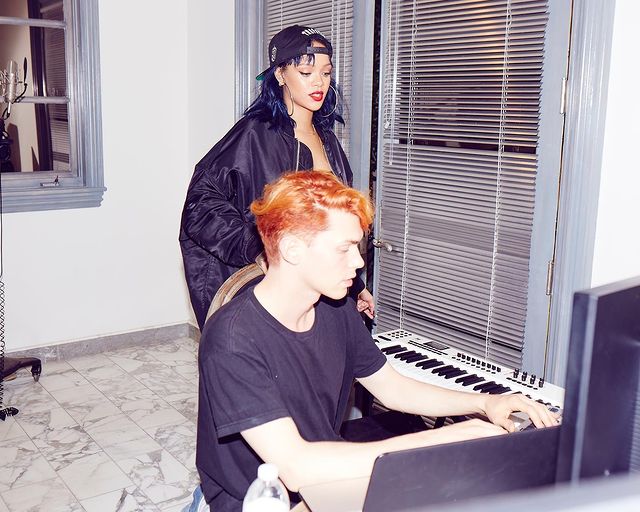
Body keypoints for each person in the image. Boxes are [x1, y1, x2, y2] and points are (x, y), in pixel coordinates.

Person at [185, 170, 559, 512]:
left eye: (358, 247)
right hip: (258, 499)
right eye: (344, 248)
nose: (358, 262)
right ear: (292, 249)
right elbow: (295, 466)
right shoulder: (232, 339)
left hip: (325, 475)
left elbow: (392, 388)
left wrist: (486, 402)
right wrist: (444, 440)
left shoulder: (335, 307)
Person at [179, 25, 374, 330]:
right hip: (276, 294)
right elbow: (200, 204)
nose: (319, 82)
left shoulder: (328, 140)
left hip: (321, 291)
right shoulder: (254, 134)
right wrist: (258, 246)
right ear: (281, 74)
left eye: (326, 72)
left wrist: (355, 286)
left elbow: (335, 222)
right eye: (306, 72)